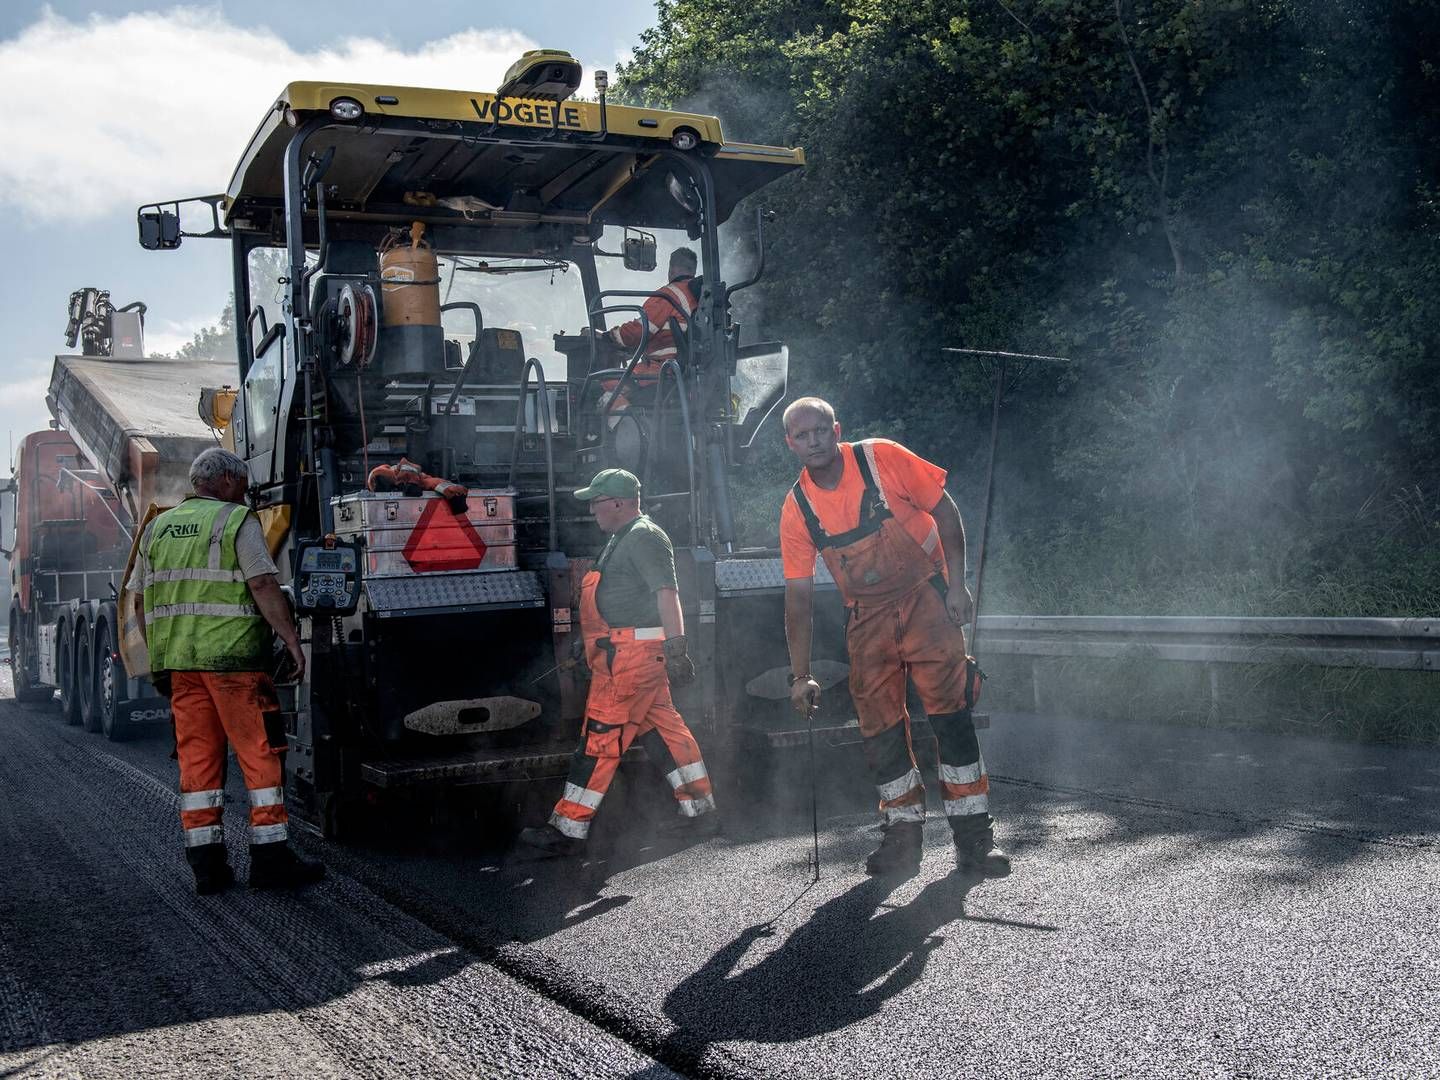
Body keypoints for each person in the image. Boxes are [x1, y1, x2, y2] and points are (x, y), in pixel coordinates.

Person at [779, 397, 1009, 879]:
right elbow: (797, 599)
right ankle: (903, 839)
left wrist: (959, 585)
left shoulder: (881, 459)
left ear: (836, 429)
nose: (813, 441)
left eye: (821, 430)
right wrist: (800, 675)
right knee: (879, 730)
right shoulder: (798, 508)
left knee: (951, 717)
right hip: (867, 620)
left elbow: (946, 514)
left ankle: (974, 842)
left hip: (927, 597)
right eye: (802, 435)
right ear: (790, 443)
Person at [128, 447, 325, 894]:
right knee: (261, 755)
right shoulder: (237, 520)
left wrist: (161, 658)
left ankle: (208, 867)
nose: (245, 493)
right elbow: (260, 583)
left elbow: (140, 600)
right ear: (230, 482)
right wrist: (292, 640)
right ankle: (270, 859)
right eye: (243, 486)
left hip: (181, 666)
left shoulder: (156, 527)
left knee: (198, 763)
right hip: (234, 665)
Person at [518, 468, 717, 856]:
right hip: (624, 652)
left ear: (619, 503)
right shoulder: (620, 538)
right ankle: (701, 811)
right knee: (666, 733)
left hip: (631, 659)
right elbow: (615, 598)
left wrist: (677, 647)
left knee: (600, 739)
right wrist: (587, 640)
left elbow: (667, 594)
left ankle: (568, 828)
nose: (592, 510)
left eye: (596, 502)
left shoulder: (644, 537)